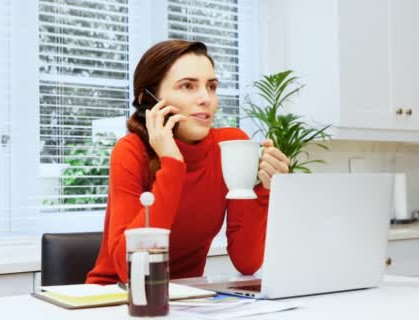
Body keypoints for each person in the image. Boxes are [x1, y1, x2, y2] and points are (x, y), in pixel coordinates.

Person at [86, 40, 290, 285]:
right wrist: (171, 164)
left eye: (211, 86)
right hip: (117, 298)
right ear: (149, 101)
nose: (206, 98)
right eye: (187, 86)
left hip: (188, 299)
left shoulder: (231, 146)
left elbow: (247, 263)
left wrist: (262, 188)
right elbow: (130, 271)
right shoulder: (131, 152)